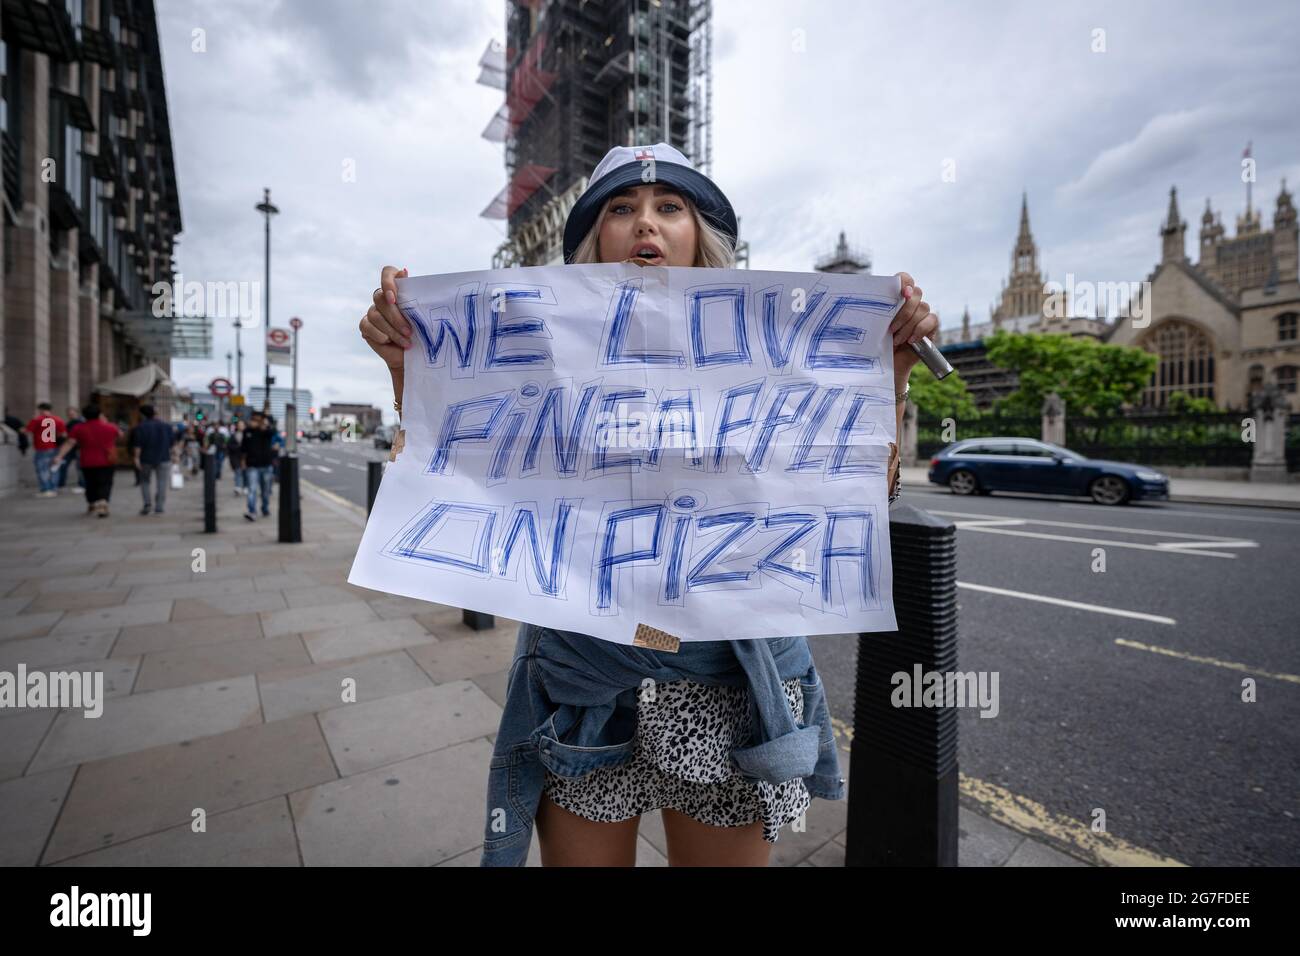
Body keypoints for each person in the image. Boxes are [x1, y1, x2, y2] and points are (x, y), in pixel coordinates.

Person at [359, 142, 938, 867]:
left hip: (727, 686)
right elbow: (468, 469)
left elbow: (849, 495)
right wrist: (413, 367)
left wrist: (891, 375)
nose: (647, 225)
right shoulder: (536, 355)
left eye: (671, 209)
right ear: (591, 241)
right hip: (585, 687)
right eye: (622, 210)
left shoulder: (776, 350)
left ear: (703, 236)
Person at [52, 404, 124, 517]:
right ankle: (103, 501)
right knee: (105, 482)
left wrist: (59, 456)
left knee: (90, 483)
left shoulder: (79, 428)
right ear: (99, 414)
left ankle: (92, 502)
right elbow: (120, 435)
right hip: (107, 460)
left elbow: (70, 443)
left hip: (87, 461)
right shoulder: (110, 427)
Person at [127, 404, 175, 515]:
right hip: (164, 458)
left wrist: (136, 458)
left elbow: (137, 445)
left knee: (144, 481)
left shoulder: (140, 427)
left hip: (145, 458)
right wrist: (175, 456)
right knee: (162, 482)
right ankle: (159, 506)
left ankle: (147, 505)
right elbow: (172, 444)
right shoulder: (166, 426)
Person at [24, 402, 66, 497]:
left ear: (40, 409)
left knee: (42, 469)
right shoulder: (58, 419)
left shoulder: (37, 420)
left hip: (42, 447)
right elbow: (63, 434)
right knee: (54, 469)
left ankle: (46, 489)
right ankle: (53, 488)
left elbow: (27, 431)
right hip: (54, 447)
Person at [241, 410, 277, 520]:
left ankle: (265, 508)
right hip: (252, 465)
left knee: (265, 490)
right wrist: (243, 462)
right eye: (253, 419)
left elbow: (273, 432)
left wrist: (265, 423)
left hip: (266, 465)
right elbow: (243, 448)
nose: (254, 422)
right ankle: (252, 511)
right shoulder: (247, 431)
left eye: (257, 420)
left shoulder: (266, 431)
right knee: (252, 489)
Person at [56, 405, 84, 490]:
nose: (70, 415)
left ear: (76, 413)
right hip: (71, 448)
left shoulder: (79, 422)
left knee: (79, 467)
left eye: (72, 413)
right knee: (64, 465)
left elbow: (72, 437)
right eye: (69, 414)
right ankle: (61, 482)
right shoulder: (70, 423)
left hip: (77, 447)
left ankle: (82, 484)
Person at [227, 419, 247, 495]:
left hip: (245, 457)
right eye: (239, 425)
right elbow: (229, 446)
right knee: (238, 471)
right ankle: (238, 487)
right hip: (236, 457)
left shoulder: (248, 434)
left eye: (242, 425)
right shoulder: (233, 435)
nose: (241, 427)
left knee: (245, 472)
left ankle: (245, 486)